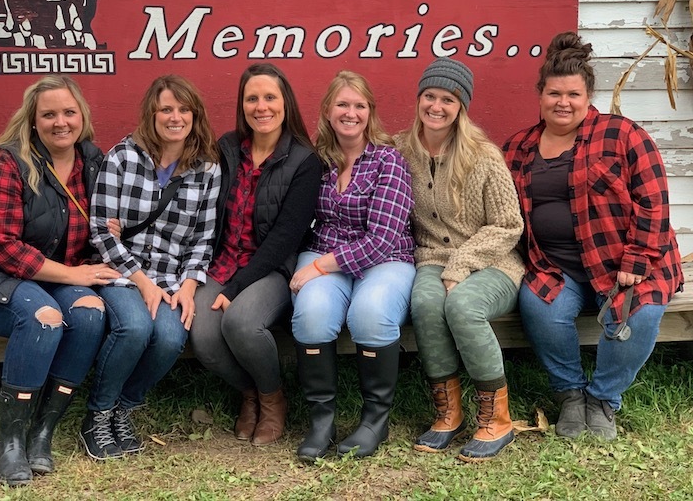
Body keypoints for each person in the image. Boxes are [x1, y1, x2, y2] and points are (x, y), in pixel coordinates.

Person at [502, 32, 684, 441]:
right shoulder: (517, 148)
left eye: (573, 94)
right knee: (538, 305)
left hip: (626, 264)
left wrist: (636, 260)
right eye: (554, 93)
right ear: (540, 94)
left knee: (640, 314)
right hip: (555, 266)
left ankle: (602, 399)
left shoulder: (623, 135)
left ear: (588, 96)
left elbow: (654, 202)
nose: (562, 102)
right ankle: (569, 395)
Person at [0, 75, 120, 486]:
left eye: (68, 112)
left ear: (82, 116)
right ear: (32, 120)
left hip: (55, 275)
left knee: (91, 313)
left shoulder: (92, 161)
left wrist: (110, 228)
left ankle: (43, 431)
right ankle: (9, 441)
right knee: (44, 317)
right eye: (48, 114)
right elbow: (1, 248)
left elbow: (92, 227)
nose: (60, 122)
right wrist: (74, 275)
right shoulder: (6, 162)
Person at [81, 75, 221, 460]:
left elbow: (202, 238)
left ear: (195, 115)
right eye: (166, 109)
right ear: (152, 113)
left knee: (170, 338)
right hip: (121, 272)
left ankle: (124, 408)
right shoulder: (122, 157)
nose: (175, 117)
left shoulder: (207, 169)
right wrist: (140, 281)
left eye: (183, 109)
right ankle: (98, 414)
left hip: (172, 277)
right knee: (135, 327)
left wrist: (189, 286)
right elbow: (101, 231)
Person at [395, 58, 524, 462]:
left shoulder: (483, 156)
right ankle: (448, 414)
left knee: (463, 305)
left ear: (461, 107)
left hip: (494, 261)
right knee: (427, 304)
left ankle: (497, 418)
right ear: (418, 99)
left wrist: (462, 266)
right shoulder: (400, 150)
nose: (436, 106)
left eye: (447, 99)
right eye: (429, 96)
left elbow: (508, 225)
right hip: (431, 256)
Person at [189, 63, 322, 447]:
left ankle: (273, 398)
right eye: (252, 98)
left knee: (242, 323)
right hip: (222, 261)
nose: (261, 106)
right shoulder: (228, 149)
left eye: (270, 97)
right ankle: (249, 392)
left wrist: (235, 288)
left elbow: (284, 238)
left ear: (285, 103)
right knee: (204, 335)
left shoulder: (303, 161)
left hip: (272, 268)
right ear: (242, 105)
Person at [289, 70, 415, 460]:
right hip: (325, 251)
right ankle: (321, 419)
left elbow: (382, 238)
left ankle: (375, 418)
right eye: (343, 104)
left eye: (359, 105)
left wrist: (319, 266)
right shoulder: (317, 160)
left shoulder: (388, 159)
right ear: (328, 111)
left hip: (386, 258)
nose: (351, 112)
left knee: (371, 312)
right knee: (312, 313)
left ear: (370, 112)